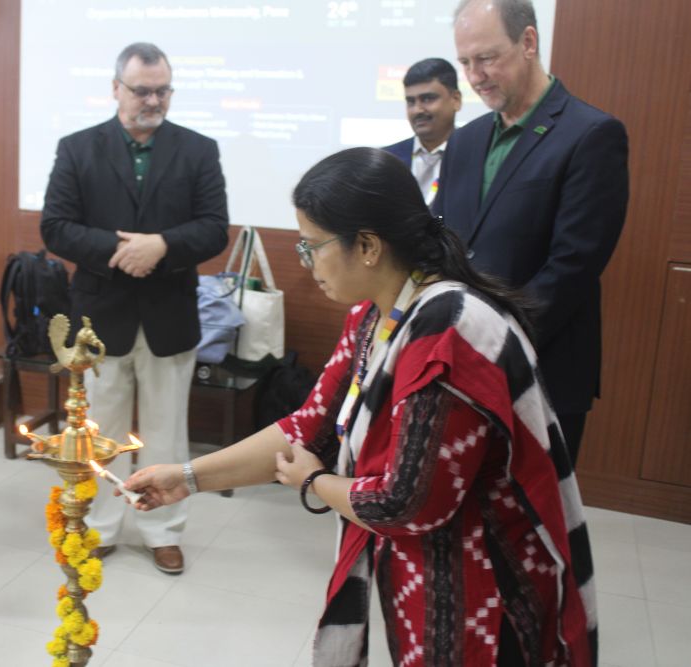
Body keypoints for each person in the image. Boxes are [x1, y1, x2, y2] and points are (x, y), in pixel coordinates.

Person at [125, 148, 596, 665]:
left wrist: (314, 482)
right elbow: (308, 429)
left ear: (368, 246)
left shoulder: (448, 334)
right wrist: (186, 478)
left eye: (311, 246)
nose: (305, 262)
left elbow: (407, 504)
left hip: (486, 592)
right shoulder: (376, 316)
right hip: (425, 576)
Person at [39, 42, 229, 575]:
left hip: (169, 314)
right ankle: (99, 529)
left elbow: (215, 228)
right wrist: (122, 251)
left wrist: (161, 246)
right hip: (100, 317)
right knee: (100, 430)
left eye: (162, 90)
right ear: (115, 88)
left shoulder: (198, 150)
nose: (153, 100)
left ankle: (162, 531)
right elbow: (56, 227)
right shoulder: (78, 148)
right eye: (142, 90)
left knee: (167, 432)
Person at [434, 0, 629, 464]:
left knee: (533, 507)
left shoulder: (591, 134)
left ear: (528, 42)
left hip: (541, 368)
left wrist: (490, 341)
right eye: (465, 62)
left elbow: (572, 266)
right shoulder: (464, 139)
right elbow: (441, 240)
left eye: (486, 58)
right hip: (456, 363)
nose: (475, 76)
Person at [383, 58, 463, 205]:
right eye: (411, 102)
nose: (417, 110)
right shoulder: (386, 160)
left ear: (456, 100)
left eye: (427, 99)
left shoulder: (477, 156)